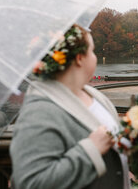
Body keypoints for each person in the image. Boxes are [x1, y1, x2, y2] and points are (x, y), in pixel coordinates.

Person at [10, 25, 129, 189]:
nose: (95, 56)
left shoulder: (95, 96)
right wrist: (90, 150)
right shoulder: (39, 112)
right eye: (93, 51)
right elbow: (31, 183)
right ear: (80, 58)